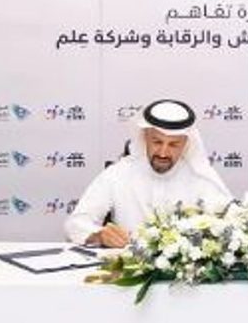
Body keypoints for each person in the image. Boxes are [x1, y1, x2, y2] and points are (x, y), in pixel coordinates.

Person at [64, 99, 232, 246]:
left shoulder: (201, 178)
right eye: (157, 142)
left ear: (186, 144)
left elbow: (232, 226)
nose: (163, 153)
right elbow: (76, 223)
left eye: (173, 145)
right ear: (145, 137)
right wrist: (99, 235)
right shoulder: (119, 173)